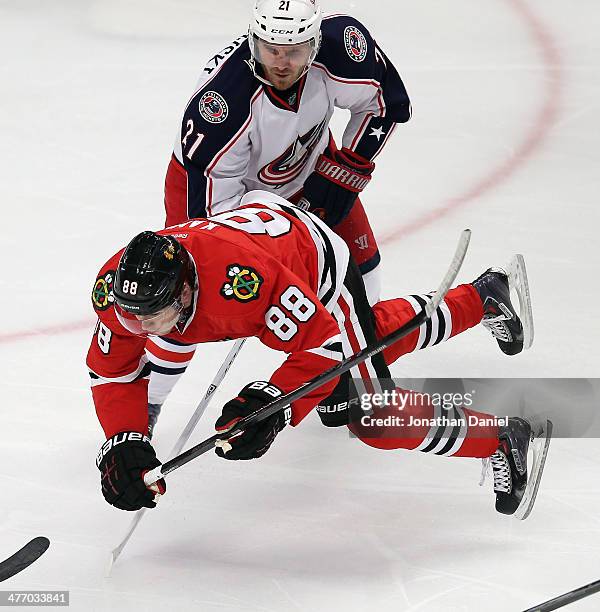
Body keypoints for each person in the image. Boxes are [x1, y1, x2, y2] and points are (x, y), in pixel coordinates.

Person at [89, 190, 550, 519]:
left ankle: (501, 436)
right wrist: (123, 441)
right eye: (135, 318)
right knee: (365, 348)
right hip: (264, 231)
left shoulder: (243, 285)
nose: (144, 329)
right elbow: (112, 371)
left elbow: (326, 346)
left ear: (187, 289)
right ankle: (484, 297)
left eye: (158, 315)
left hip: (315, 267)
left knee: (370, 412)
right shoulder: (119, 292)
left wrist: (271, 403)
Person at [163, 0, 411, 306]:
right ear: (254, 42)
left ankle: (347, 349)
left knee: (363, 278)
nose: (281, 63)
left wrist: (344, 173)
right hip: (207, 186)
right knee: (186, 294)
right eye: (272, 50)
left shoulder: (342, 47)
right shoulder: (222, 106)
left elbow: (386, 103)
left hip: (310, 166)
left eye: (294, 51)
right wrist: (275, 242)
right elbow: (213, 219)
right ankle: (147, 353)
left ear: (315, 44)